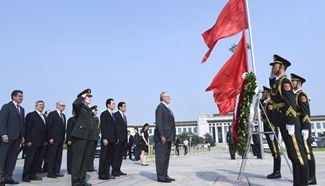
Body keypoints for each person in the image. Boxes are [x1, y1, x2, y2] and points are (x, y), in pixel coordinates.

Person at [269, 55, 308, 185]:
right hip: (282, 121)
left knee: (298, 154)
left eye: (274, 65)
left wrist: (291, 122)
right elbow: (274, 93)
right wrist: (271, 76)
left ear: (281, 67)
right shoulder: (278, 82)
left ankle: (302, 183)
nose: (272, 67)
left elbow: (290, 102)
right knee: (292, 155)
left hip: (288, 121)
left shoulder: (285, 82)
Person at [291, 73, 316, 185]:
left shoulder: (301, 95)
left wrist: (305, 128)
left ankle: (312, 177)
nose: (291, 83)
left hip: (303, 127)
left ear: (299, 83)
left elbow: (306, 113)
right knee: (301, 153)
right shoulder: (294, 95)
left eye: (293, 81)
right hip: (298, 127)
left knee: (308, 152)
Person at [0, 90, 25, 185]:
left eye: (22, 96)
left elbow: (22, 124)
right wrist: (4, 134)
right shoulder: (7, 107)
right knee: (3, 158)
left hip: (17, 138)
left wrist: (22, 136)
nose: (21, 98)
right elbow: (3, 122)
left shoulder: (22, 109)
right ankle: (0, 178)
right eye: (20, 96)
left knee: (12, 158)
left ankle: (8, 177)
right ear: (14, 97)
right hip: (7, 137)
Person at [70, 89, 94, 186]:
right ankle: (75, 182)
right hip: (80, 136)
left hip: (88, 137)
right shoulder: (79, 108)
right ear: (83, 98)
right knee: (78, 160)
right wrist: (81, 96)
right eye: (88, 97)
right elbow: (75, 104)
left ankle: (82, 180)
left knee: (85, 161)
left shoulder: (87, 109)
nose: (90, 99)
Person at [22, 100, 47, 182]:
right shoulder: (31, 115)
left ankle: (33, 174)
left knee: (37, 160)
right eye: (40, 105)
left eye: (43, 105)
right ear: (35, 106)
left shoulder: (43, 116)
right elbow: (27, 129)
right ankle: (26, 176)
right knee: (29, 160)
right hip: (32, 142)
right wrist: (28, 140)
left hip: (41, 142)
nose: (41, 106)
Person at [154, 92, 176, 183]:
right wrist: (162, 135)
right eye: (168, 96)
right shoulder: (160, 108)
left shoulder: (166, 108)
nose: (170, 97)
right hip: (162, 137)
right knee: (161, 158)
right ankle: (161, 177)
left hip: (168, 137)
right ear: (163, 97)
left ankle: (165, 175)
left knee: (166, 158)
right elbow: (159, 122)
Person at [260, 86, 281, 179]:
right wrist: (260, 98)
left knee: (275, 151)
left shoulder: (270, 104)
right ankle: (275, 171)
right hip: (268, 129)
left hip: (271, 129)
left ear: (267, 93)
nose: (263, 95)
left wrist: (273, 129)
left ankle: (277, 171)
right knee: (273, 151)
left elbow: (272, 117)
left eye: (264, 93)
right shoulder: (266, 103)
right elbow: (259, 106)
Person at [47, 101, 66, 178]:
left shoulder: (63, 116)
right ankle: (50, 172)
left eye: (64, 106)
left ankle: (57, 171)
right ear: (57, 106)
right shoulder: (52, 114)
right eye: (61, 105)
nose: (63, 107)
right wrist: (50, 137)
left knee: (59, 156)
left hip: (60, 139)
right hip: (53, 139)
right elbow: (49, 127)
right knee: (52, 156)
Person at [98, 98, 116, 180]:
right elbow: (103, 127)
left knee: (109, 157)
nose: (114, 105)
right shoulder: (104, 114)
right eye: (112, 103)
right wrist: (104, 138)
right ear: (108, 105)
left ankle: (107, 173)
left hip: (112, 139)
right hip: (107, 139)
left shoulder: (113, 115)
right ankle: (101, 174)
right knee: (104, 157)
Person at [112, 102, 128, 177]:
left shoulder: (124, 116)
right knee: (116, 155)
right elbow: (115, 127)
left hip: (123, 139)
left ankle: (118, 169)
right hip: (118, 138)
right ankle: (114, 170)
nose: (125, 107)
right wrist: (116, 137)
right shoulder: (116, 115)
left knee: (121, 155)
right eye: (124, 106)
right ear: (120, 107)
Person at [87, 105, 100, 172]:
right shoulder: (90, 118)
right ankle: (88, 166)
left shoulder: (97, 118)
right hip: (90, 138)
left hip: (95, 137)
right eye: (95, 110)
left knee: (93, 153)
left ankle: (91, 166)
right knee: (89, 153)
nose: (96, 112)